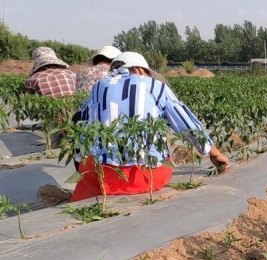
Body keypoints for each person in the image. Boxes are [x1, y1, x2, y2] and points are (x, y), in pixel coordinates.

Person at [70, 51, 229, 201]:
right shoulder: (155, 86)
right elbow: (185, 122)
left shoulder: (99, 86)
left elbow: (79, 120)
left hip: (102, 175)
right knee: (162, 150)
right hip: (146, 177)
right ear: (139, 69)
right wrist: (213, 152)